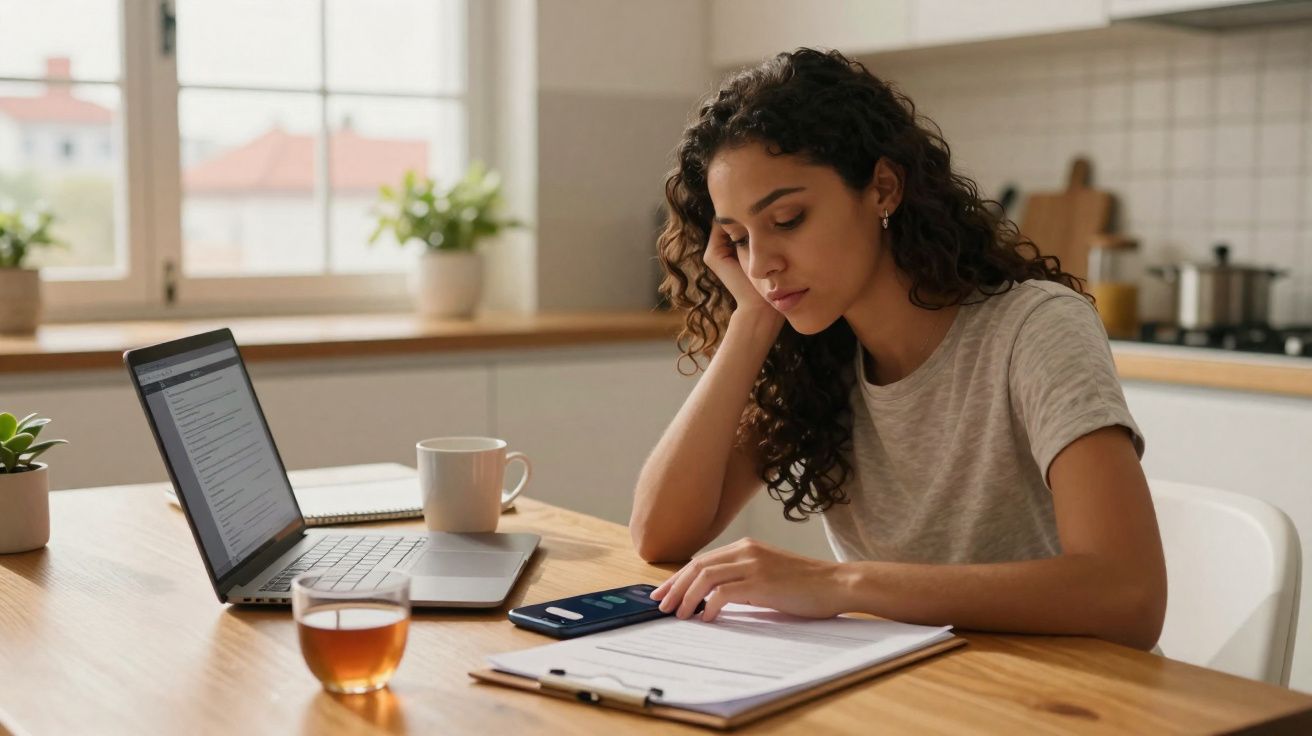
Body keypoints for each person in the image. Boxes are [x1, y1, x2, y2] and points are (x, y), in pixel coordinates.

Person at [630, 48, 1166, 651]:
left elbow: (1129, 596)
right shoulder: (818, 354)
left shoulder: (1034, 328)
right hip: (915, 687)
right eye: (737, 239)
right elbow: (659, 536)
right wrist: (752, 320)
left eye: (788, 218)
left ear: (883, 188)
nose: (761, 262)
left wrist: (843, 583)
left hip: (1065, 691)